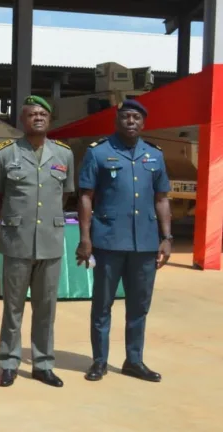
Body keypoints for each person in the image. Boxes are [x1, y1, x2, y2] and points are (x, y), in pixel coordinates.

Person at [76, 99, 171, 383]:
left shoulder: (155, 155)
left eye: (136, 118)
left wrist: (166, 238)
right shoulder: (99, 153)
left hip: (144, 244)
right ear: (117, 121)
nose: (131, 122)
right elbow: (85, 197)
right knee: (102, 304)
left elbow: (162, 198)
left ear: (144, 123)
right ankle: (99, 361)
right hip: (108, 242)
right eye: (126, 117)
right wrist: (85, 238)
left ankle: (134, 360)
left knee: (139, 306)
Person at [0, 95, 74, 388]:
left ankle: (43, 364)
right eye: (31, 114)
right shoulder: (4, 154)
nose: (37, 118)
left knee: (46, 306)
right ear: (22, 121)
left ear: (49, 121)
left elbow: (64, 195)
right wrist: (14, 219)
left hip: (49, 241)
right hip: (17, 241)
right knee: (13, 307)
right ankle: (9, 363)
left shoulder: (64, 155)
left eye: (42, 114)